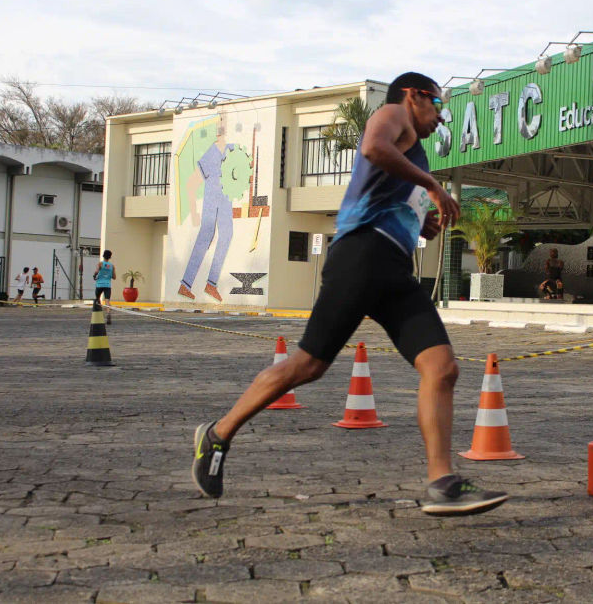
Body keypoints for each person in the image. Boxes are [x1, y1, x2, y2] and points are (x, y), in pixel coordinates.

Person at [191, 72, 508, 516]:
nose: (440, 117)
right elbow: (372, 149)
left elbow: (391, 197)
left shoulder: (412, 153)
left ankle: (443, 483)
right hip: (360, 258)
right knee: (309, 365)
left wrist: (423, 220)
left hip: (393, 271)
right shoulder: (392, 113)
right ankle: (218, 434)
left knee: (442, 367)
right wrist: (433, 187)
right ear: (414, 96)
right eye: (438, 105)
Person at [178, 119, 236, 303]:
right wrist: (194, 211)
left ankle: (211, 283)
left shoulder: (232, 150)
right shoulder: (211, 153)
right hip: (212, 199)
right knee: (206, 236)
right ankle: (186, 284)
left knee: (226, 235)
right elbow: (192, 183)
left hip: (225, 199)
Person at [93, 250, 116, 325]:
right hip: (107, 285)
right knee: (107, 301)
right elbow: (114, 277)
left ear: (103, 256)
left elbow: (96, 271)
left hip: (99, 284)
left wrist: (94, 275)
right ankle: (108, 312)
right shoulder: (112, 266)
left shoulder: (100, 264)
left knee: (97, 299)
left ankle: (98, 316)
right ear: (110, 257)